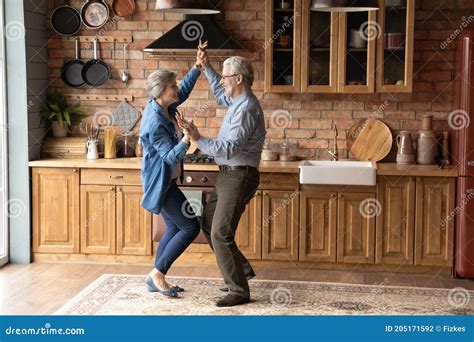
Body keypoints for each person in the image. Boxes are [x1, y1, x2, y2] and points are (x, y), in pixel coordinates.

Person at [179, 45, 266, 307]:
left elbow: (229, 149)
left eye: (226, 77)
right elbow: (220, 93)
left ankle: (239, 290)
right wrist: (206, 66)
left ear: (238, 79)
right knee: (208, 224)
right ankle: (241, 271)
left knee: (220, 233)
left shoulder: (247, 108)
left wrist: (197, 137)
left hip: (239, 175)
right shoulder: (237, 100)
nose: (222, 81)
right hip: (228, 174)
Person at [140, 41, 208, 298]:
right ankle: (157, 274)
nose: (177, 90)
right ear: (161, 92)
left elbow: (184, 92)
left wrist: (197, 67)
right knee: (190, 227)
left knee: (174, 228)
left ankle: (155, 276)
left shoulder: (164, 106)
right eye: (172, 87)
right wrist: (187, 139)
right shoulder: (154, 122)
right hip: (161, 182)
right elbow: (168, 157)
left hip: (167, 180)